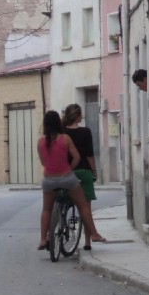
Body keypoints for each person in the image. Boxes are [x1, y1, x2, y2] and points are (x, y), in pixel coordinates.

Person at [37, 110, 106, 251]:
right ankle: (94, 234)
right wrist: (69, 168)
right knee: (83, 206)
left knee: (46, 209)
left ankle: (43, 239)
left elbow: (44, 162)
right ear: (58, 123)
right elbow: (77, 157)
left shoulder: (40, 142)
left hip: (49, 179)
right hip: (66, 178)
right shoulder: (65, 139)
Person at [62, 103, 99, 251]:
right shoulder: (85, 132)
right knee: (86, 207)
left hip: (66, 172)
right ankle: (87, 242)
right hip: (83, 171)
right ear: (79, 116)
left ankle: (59, 228)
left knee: (62, 201)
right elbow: (89, 154)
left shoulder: (62, 132)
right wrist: (94, 170)